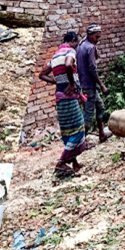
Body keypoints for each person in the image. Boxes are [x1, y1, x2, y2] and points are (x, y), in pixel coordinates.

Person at [39, 32, 86, 175]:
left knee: (67, 131)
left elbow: (42, 74)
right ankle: (61, 163)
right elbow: (68, 64)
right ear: (72, 41)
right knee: (79, 130)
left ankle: (74, 163)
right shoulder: (69, 51)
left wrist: (57, 81)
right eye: (77, 44)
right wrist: (71, 83)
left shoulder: (55, 56)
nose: (77, 47)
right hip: (69, 98)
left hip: (60, 97)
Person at [76, 23, 112, 142]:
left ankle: (101, 134)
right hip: (89, 85)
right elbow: (92, 68)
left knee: (100, 106)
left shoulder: (81, 45)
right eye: (96, 37)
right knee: (88, 115)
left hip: (84, 84)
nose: (98, 40)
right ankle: (80, 143)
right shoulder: (90, 47)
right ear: (90, 35)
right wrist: (102, 85)